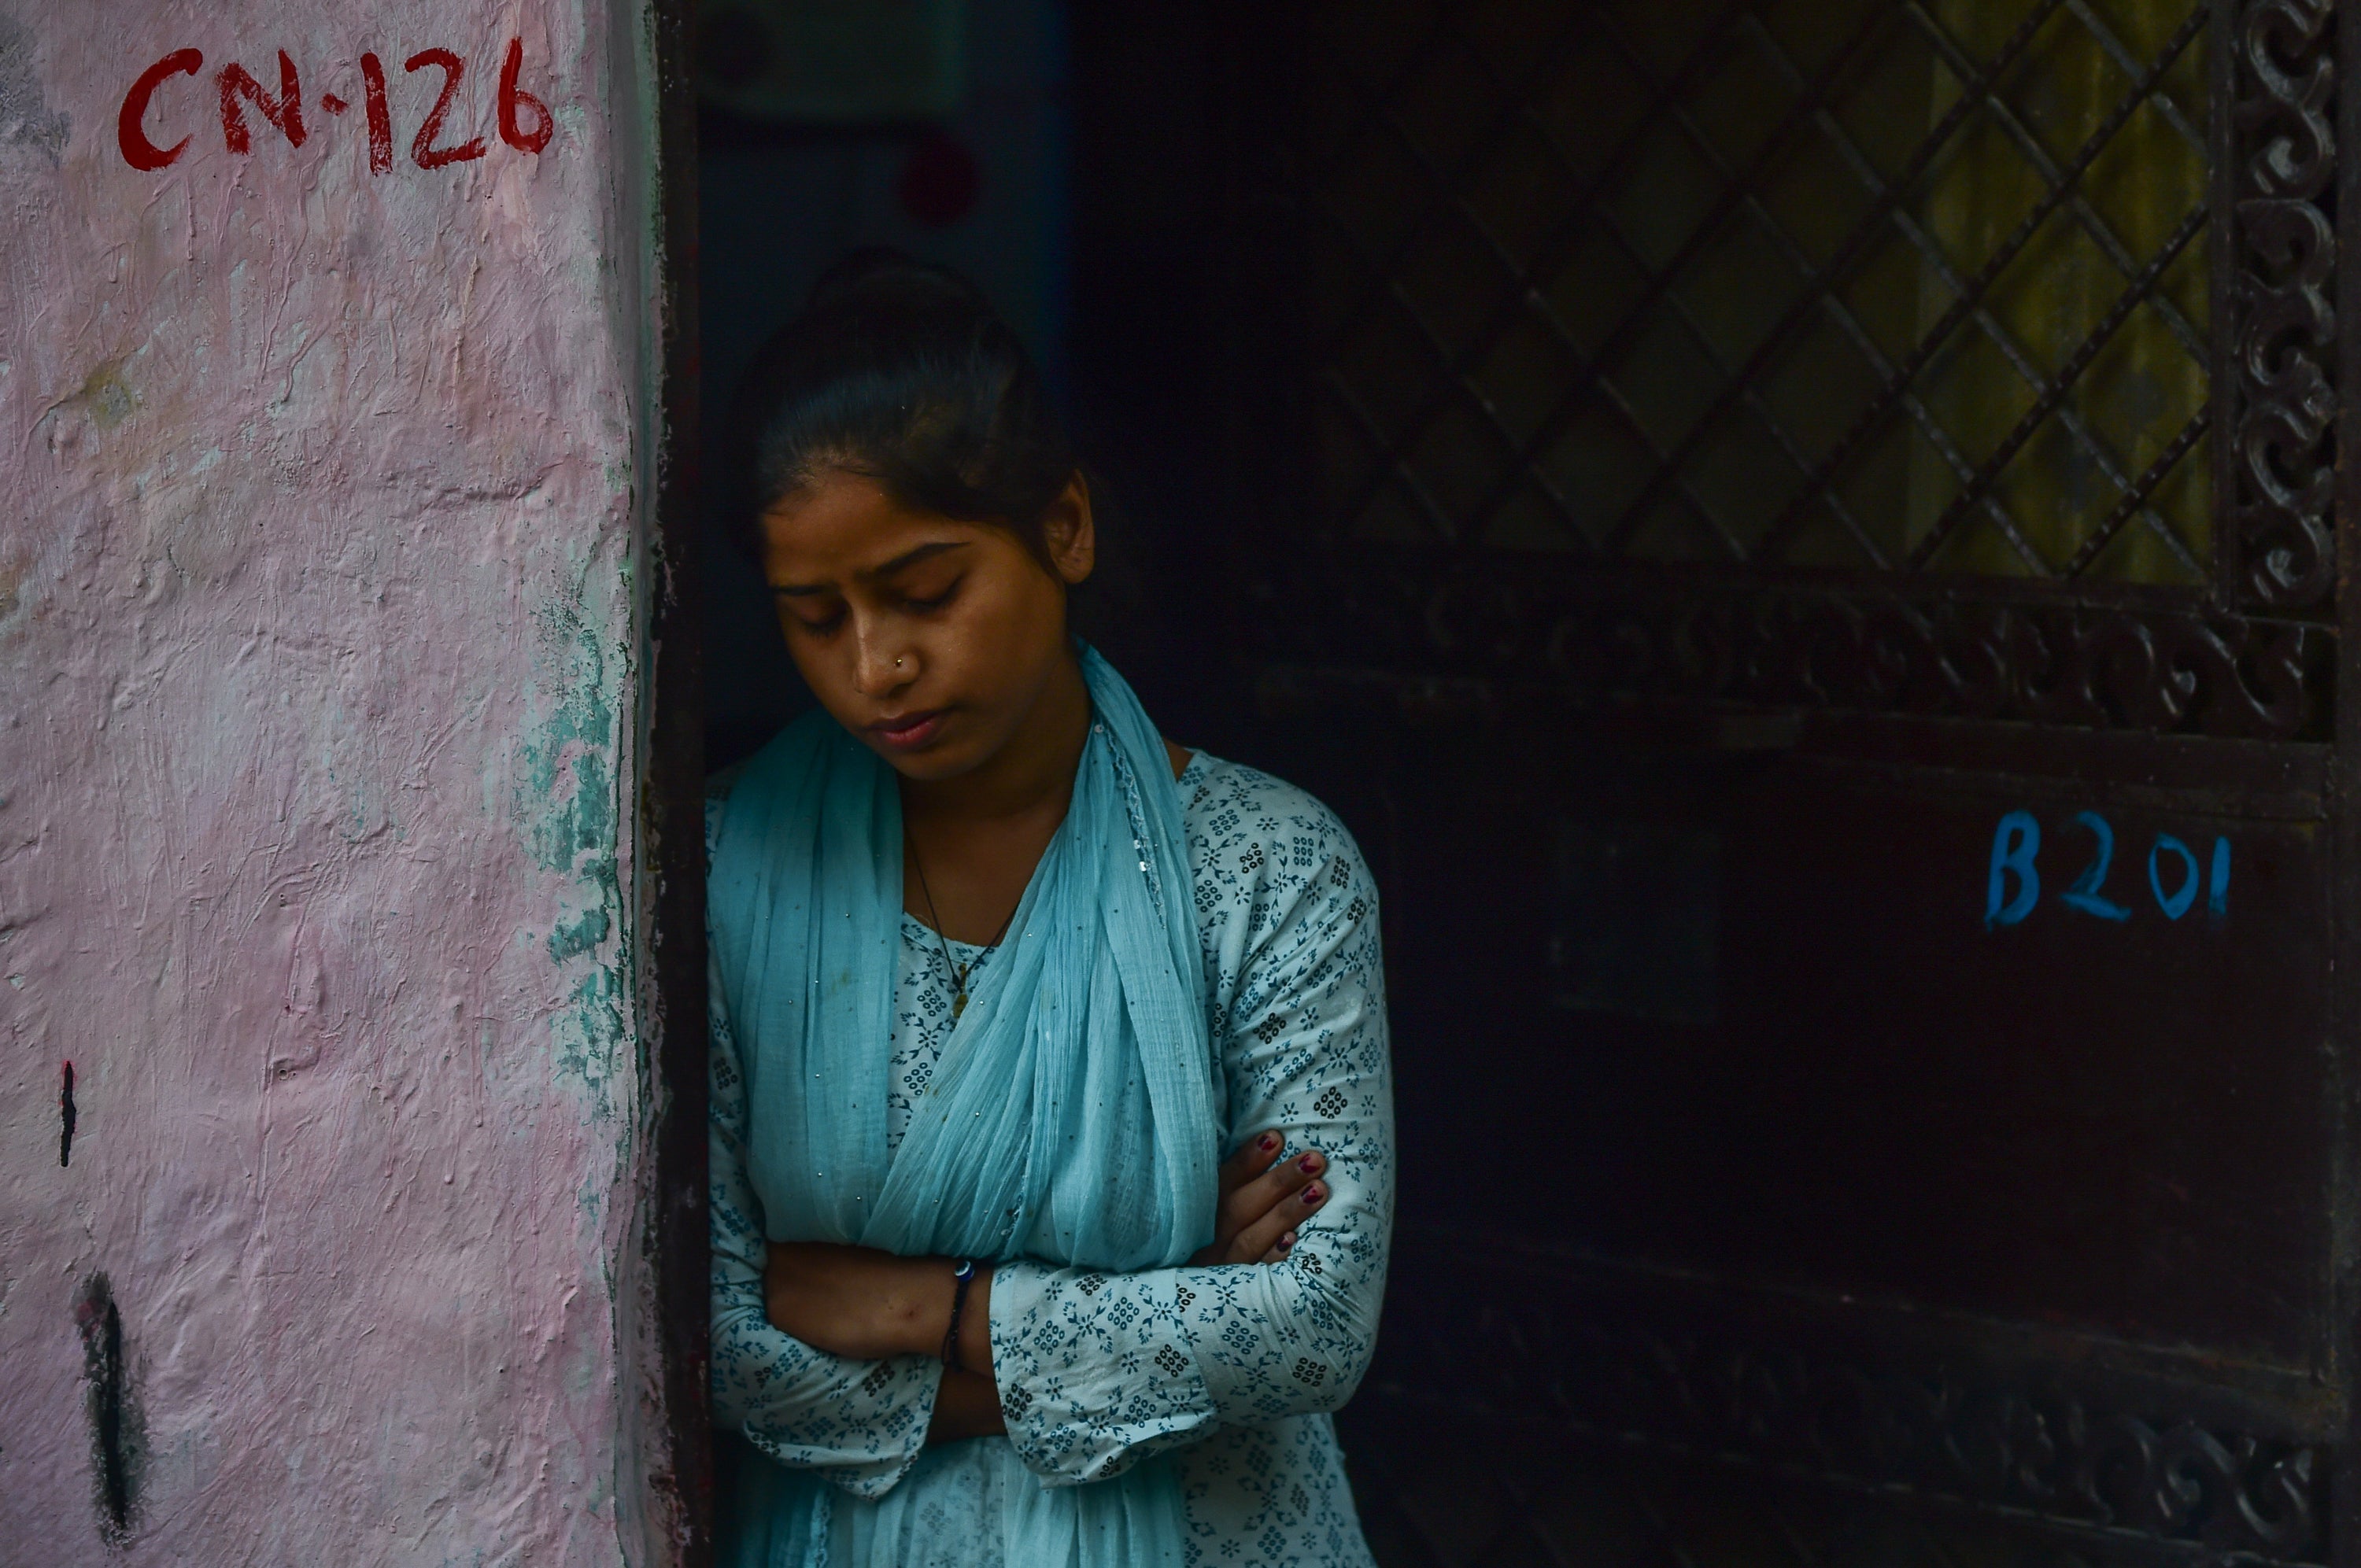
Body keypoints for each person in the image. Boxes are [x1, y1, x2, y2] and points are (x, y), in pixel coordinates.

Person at [704, 250, 1394, 1567]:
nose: (878, 664)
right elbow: (719, 1344)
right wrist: (1168, 1290)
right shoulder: (727, 871)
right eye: (816, 617)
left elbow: (1310, 1329)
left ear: (1065, 527)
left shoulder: (1267, 869)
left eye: (925, 592)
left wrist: (932, 1305)